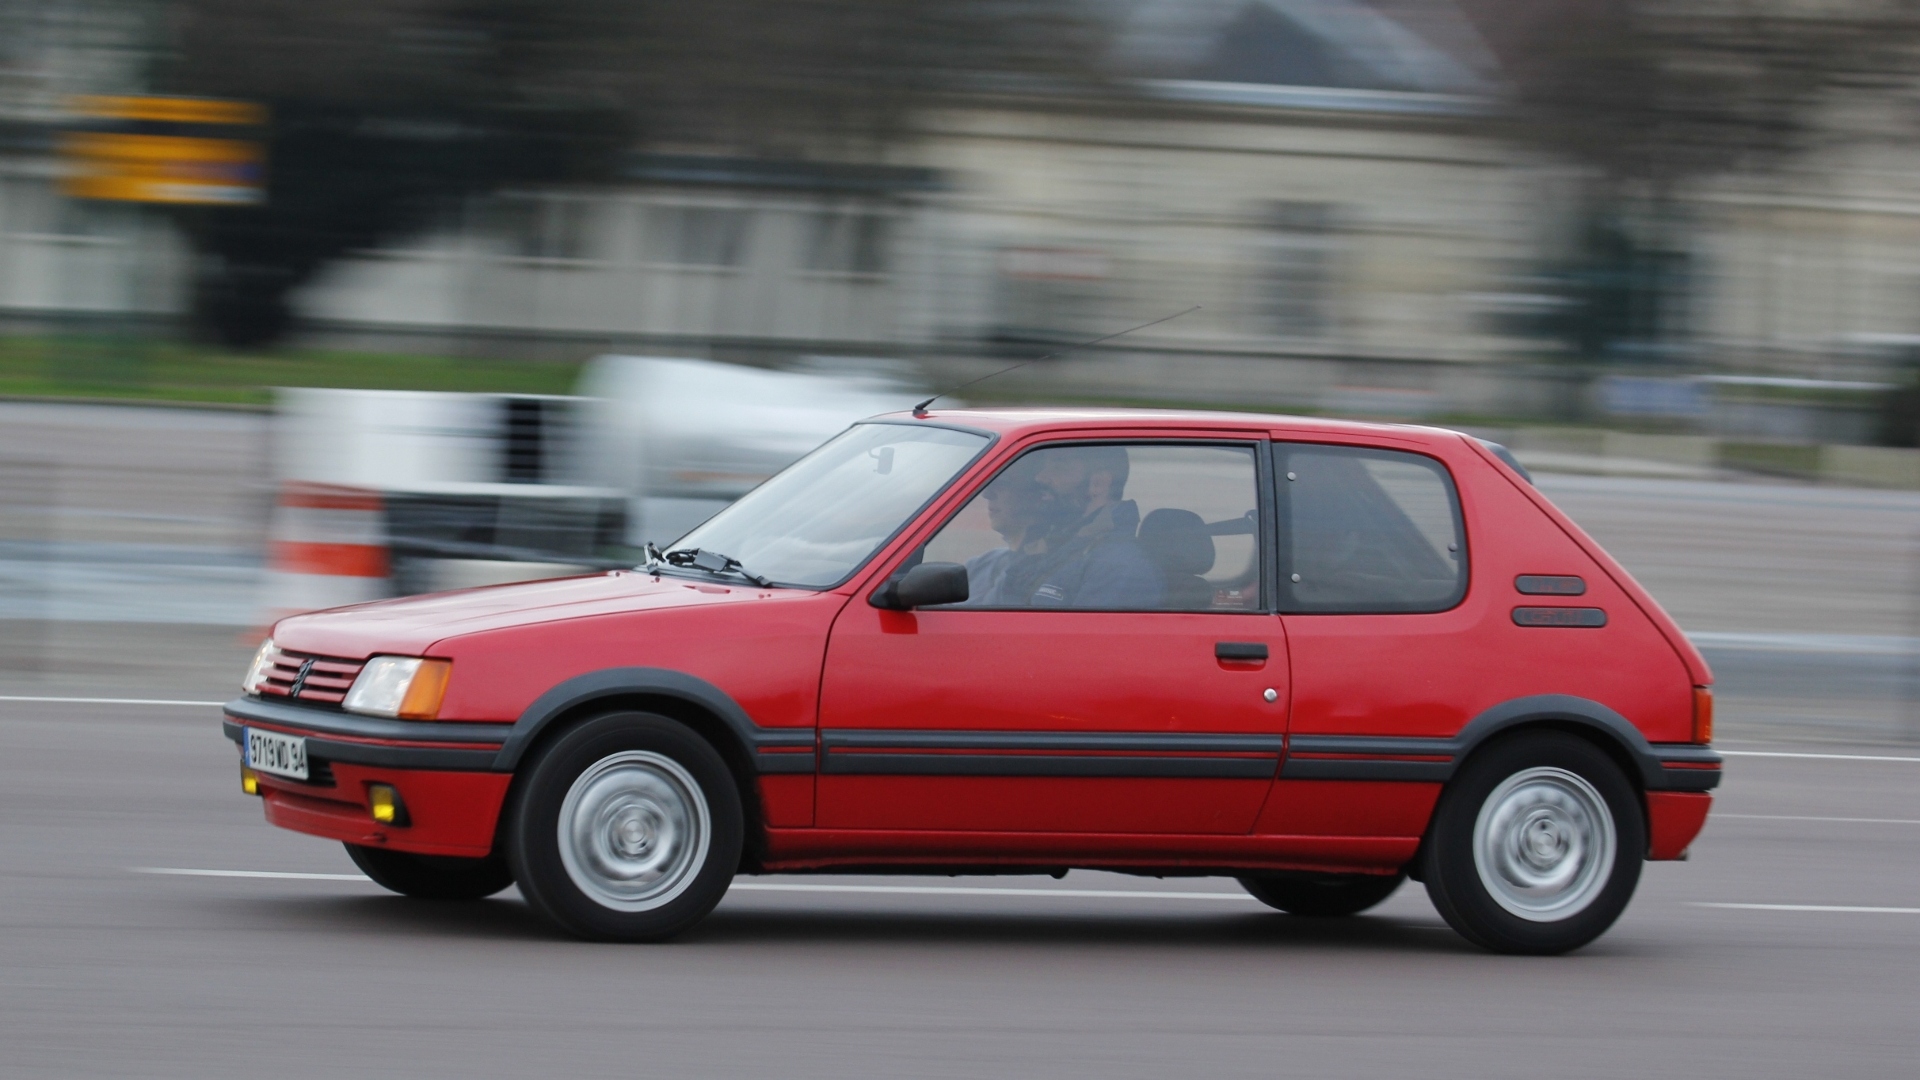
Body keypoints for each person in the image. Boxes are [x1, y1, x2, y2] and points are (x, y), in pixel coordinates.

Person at [997, 445, 1164, 609]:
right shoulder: (1062, 546)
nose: (1040, 477)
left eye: (1058, 465)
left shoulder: (1118, 567)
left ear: (1098, 484)